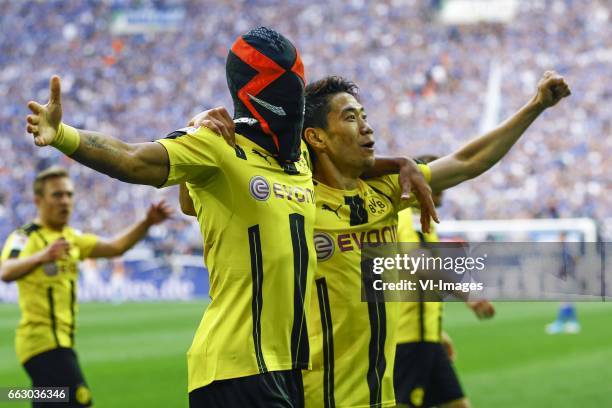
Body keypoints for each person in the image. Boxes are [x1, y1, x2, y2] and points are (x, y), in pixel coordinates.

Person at [182, 71, 570, 407]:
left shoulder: (388, 191)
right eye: (351, 118)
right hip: (316, 394)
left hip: (377, 394)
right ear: (316, 137)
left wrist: (535, 106)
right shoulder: (293, 198)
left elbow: (469, 161)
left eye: (365, 116)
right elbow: (195, 199)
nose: (367, 127)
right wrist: (197, 125)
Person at [0, 166, 171, 408]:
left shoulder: (71, 237)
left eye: (69, 195)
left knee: (50, 400)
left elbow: (114, 248)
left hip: (60, 342)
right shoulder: (26, 237)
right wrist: (42, 257)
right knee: (80, 400)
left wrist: (146, 223)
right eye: (57, 195)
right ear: (38, 200)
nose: (65, 201)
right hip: (42, 343)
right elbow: (6, 271)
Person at [396, 155, 495, 408]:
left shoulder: (424, 221)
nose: (444, 191)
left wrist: (436, 332)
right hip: (406, 341)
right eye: (439, 182)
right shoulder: (404, 217)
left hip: (425, 336)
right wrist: (468, 294)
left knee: (458, 404)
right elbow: (417, 261)